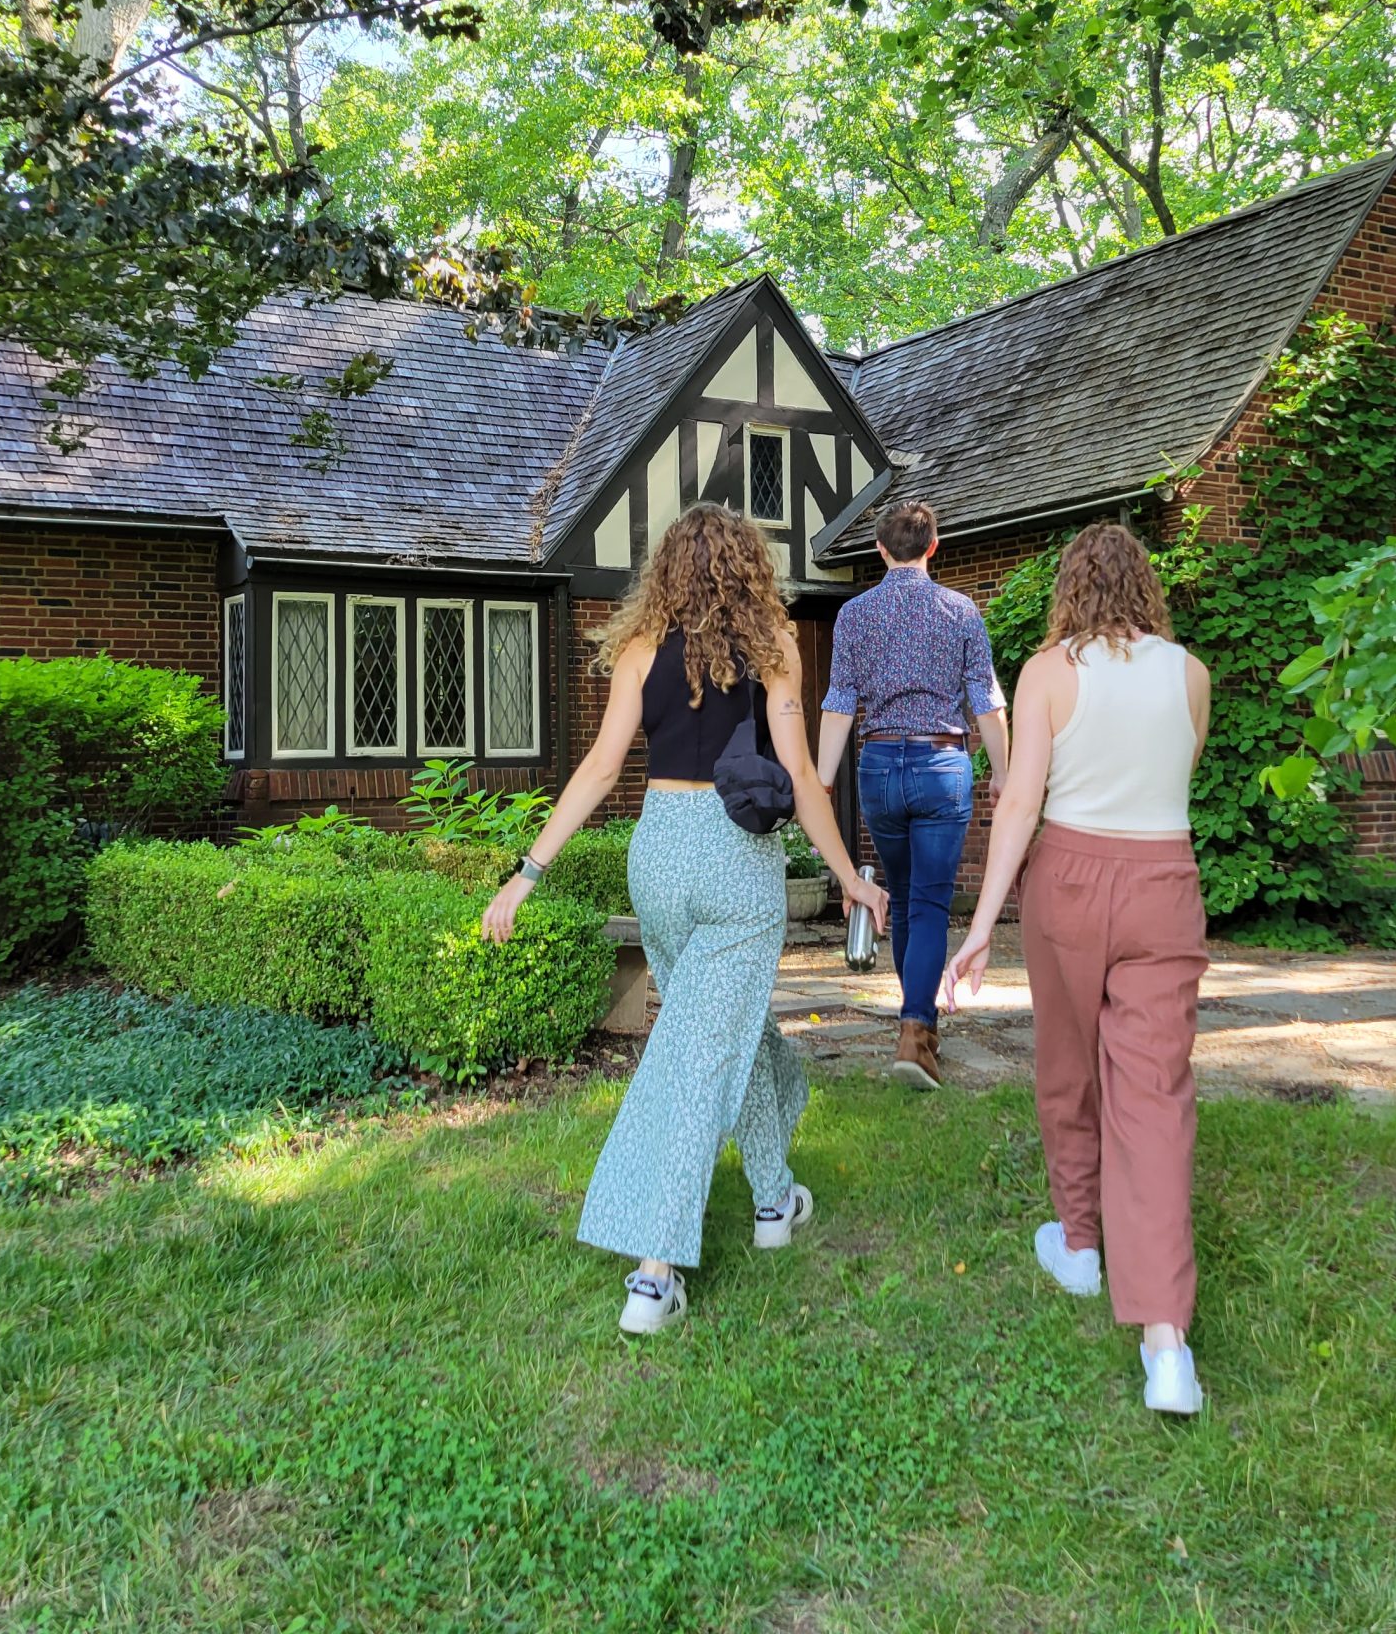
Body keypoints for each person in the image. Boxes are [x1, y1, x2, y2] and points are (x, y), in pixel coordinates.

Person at [482, 504, 889, 1336]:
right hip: (735, 862)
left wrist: (526, 875)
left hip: (659, 854)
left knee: (724, 1033)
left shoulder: (638, 651)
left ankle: (774, 1198)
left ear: (665, 571)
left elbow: (600, 770)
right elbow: (804, 780)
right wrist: (849, 875)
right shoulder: (775, 651)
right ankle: (652, 1273)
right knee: (693, 1058)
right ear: (750, 570)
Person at [943, 523, 1213, 1415]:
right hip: (1164, 879)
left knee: (1066, 1069)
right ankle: (1165, 1342)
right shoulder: (1190, 674)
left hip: (1069, 875)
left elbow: (1020, 799)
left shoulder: (1049, 672)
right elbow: (1177, 776)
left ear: (1070, 589)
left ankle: (1080, 1243)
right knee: (1154, 1095)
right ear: (1145, 586)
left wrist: (981, 923)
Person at [815, 500, 1010, 1091]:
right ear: (933, 546)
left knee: (899, 898)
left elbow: (839, 702)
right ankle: (915, 1030)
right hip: (941, 764)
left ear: (879, 550)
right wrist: (1003, 774)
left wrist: (820, 781)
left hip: (878, 767)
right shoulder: (960, 611)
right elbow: (986, 700)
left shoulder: (854, 615)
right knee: (926, 904)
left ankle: (916, 1028)